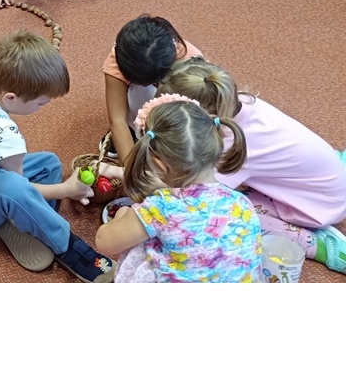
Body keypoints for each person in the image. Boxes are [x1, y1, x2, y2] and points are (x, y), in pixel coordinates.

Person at [0, 30, 116, 283]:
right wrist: (66, 190)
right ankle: (66, 245)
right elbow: (17, 185)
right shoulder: (6, 134)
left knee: (49, 163)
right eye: (40, 103)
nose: (41, 108)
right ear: (10, 98)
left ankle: (31, 219)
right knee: (13, 189)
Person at [157, 57, 346, 275]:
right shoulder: (239, 102)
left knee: (222, 213)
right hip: (327, 180)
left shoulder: (232, 144)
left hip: (321, 205)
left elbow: (195, 193)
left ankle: (316, 244)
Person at [95, 97, 263, 283]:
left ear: (159, 164)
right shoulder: (241, 202)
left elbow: (104, 243)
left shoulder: (161, 206)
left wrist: (123, 214)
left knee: (139, 245)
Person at [103, 15, 204, 162]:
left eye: (146, 81)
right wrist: (131, 168)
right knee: (136, 97)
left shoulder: (193, 65)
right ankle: (133, 130)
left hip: (180, 107)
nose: (144, 84)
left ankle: (154, 136)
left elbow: (198, 119)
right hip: (147, 99)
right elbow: (117, 120)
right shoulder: (123, 55)